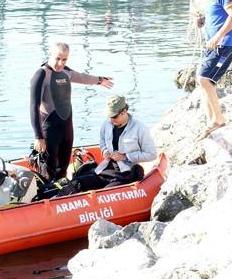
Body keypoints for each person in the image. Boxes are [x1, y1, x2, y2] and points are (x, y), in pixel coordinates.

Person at [30, 42, 115, 180]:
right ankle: (47, 197)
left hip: (67, 129)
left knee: (63, 169)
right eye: (57, 58)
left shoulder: (66, 72)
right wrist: (38, 137)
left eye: (64, 59)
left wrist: (99, 80)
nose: (60, 63)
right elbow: (33, 106)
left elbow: (82, 77)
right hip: (49, 131)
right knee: (49, 173)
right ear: (50, 55)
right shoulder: (41, 75)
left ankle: (62, 196)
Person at [194, 0, 232, 137]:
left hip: (224, 45)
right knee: (204, 81)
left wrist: (217, 37)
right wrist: (202, 21)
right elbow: (216, 15)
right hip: (212, 45)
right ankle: (211, 120)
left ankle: (218, 120)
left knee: (204, 78)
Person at [76, 95, 156, 191]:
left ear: (124, 112)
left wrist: (125, 157)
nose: (111, 120)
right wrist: (104, 150)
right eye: (109, 116)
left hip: (126, 173)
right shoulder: (107, 124)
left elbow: (151, 154)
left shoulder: (140, 128)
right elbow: (102, 140)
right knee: (78, 182)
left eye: (114, 116)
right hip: (106, 169)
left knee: (106, 193)